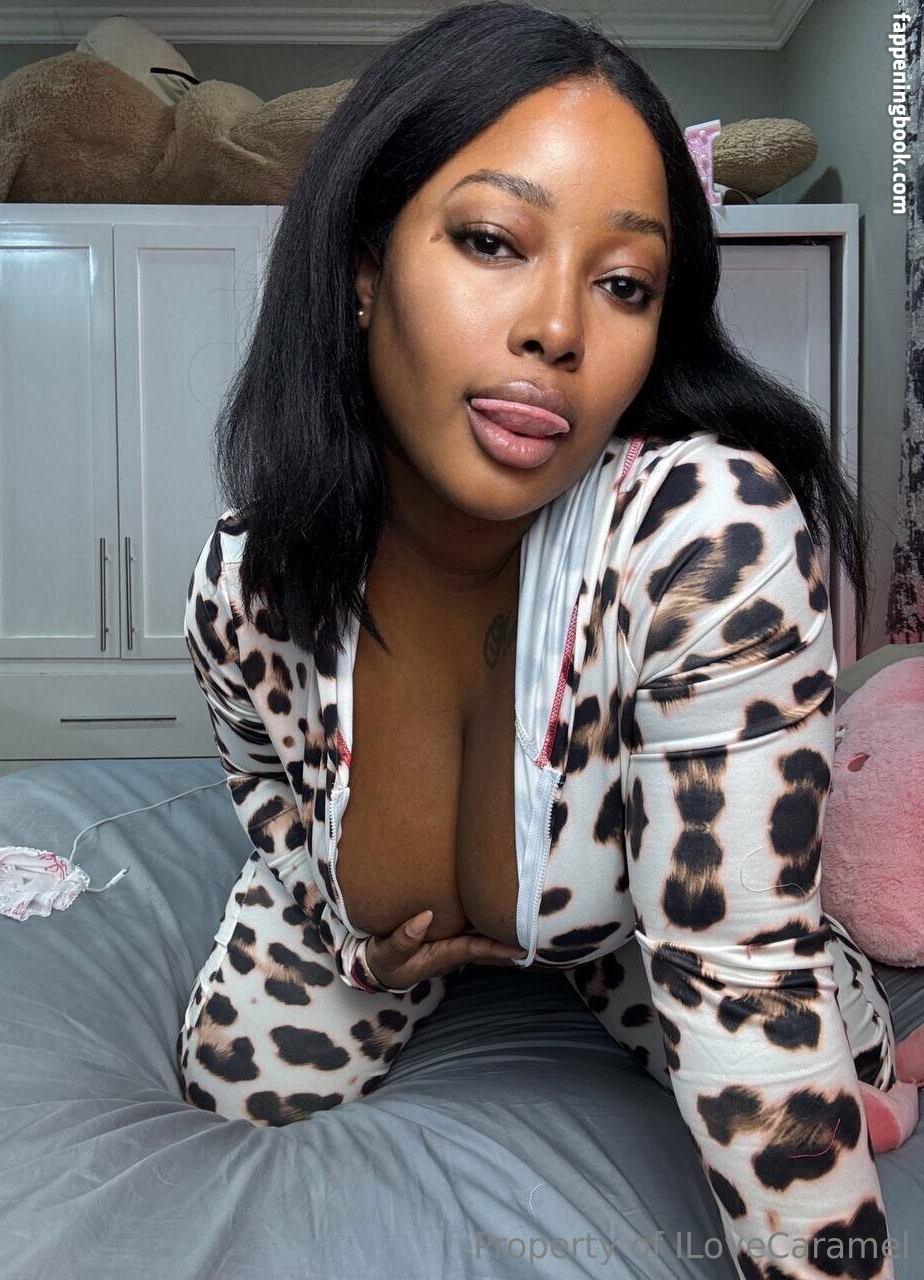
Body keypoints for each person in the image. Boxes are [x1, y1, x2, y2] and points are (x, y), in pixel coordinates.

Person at [176, 4, 913, 1276]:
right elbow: (270, 796)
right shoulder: (251, 580)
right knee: (232, 1082)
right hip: (372, 945)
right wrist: (356, 939)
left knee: (845, 1059)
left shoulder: (705, 534)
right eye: (491, 241)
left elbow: (745, 980)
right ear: (363, 268)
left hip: (645, 929)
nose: (560, 329)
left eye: (624, 283)